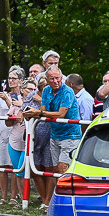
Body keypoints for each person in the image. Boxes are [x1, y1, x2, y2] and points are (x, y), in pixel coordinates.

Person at [39, 66, 80, 208]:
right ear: (47, 80)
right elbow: (44, 109)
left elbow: (61, 114)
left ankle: (67, 203)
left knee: (63, 169)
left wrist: (39, 114)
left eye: (57, 78)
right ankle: (53, 202)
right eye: (52, 78)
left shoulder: (67, 91)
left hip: (70, 135)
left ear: (62, 78)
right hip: (55, 134)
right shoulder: (46, 90)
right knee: (55, 169)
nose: (55, 81)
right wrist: (39, 113)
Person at [0, 66, 25, 204]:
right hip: (2, 131)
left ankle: (14, 196)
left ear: (21, 80)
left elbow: (14, 109)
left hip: (16, 132)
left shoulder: (22, 96)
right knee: (2, 166)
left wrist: (7, 99)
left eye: (14, 78)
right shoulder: (3, 94)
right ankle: (3, 197)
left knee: (14, 166)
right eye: (9, 78)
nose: (11, 80)